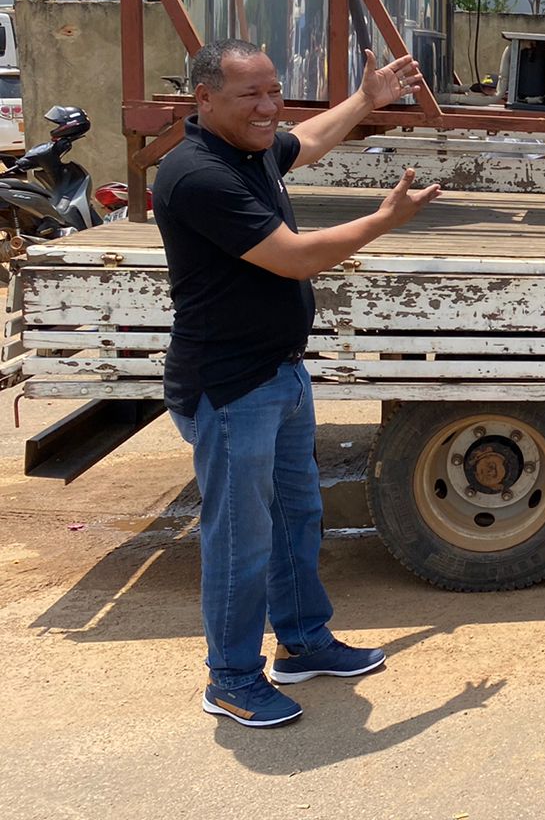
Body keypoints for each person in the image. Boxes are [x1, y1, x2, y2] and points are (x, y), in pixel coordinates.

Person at [156, 38, 441, 728]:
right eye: (250, 94)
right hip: (229, 388)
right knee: (240, 541)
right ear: (204, 99)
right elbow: (290, 259)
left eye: (273, 90)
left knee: (296, 518)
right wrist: (381, 221)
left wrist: (365, 101)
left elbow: (301, 140)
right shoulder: (198, 175)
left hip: (278, 371)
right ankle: (229, 677)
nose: (269, 107)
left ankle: (305, 644)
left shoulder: (249, 151)